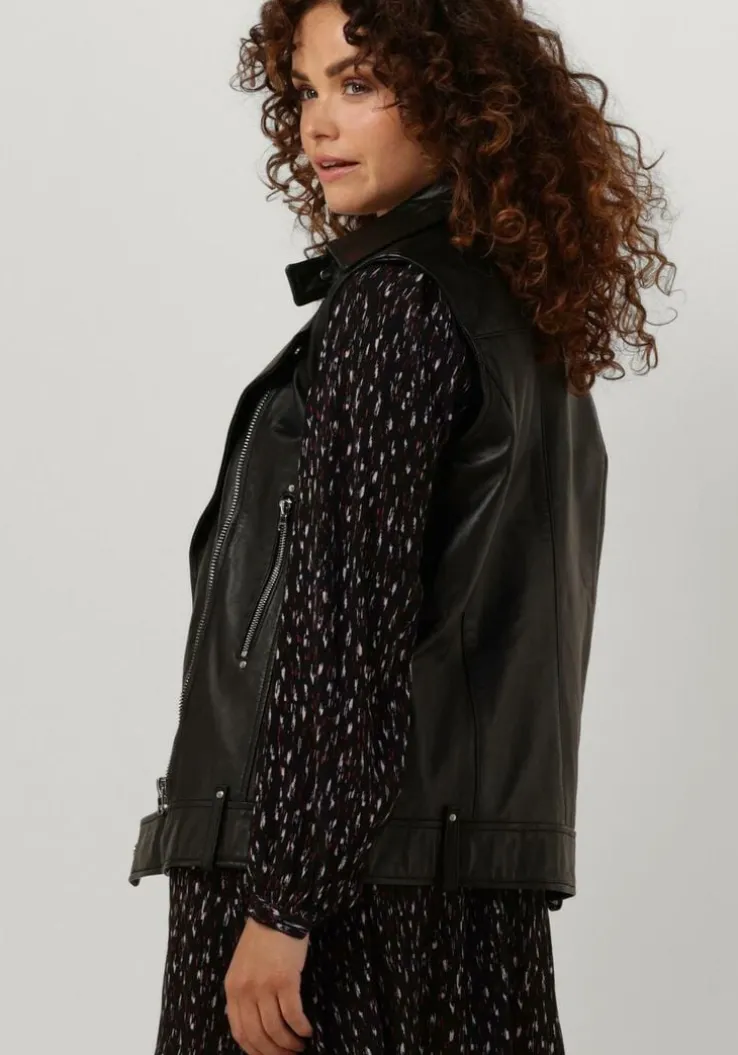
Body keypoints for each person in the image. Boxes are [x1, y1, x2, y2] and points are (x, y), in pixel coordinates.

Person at [128, 2, 678, 1053]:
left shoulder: (395, 305)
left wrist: (282, 901)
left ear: (459, 99)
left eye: (360, 83)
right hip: (462, 890)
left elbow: (345, 623)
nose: (317, 123)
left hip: (337, 893)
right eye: (305, 88)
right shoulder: (519, 317)